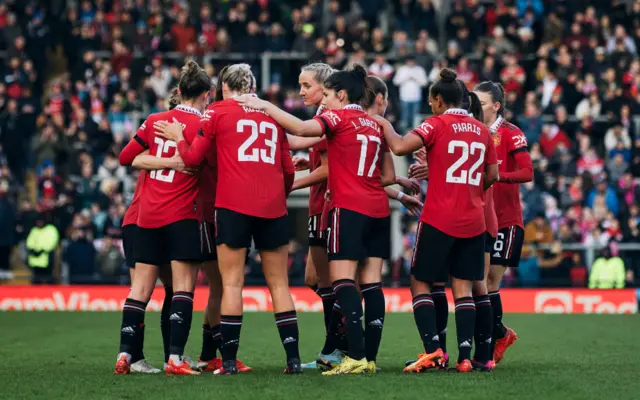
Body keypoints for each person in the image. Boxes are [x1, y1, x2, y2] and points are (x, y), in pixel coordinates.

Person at [236, 65, 397, 375]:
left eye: (326, 94)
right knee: (372, 283)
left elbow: (300, 130)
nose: (323, 100)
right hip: (378, 209)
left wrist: (265, 106)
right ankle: (368, 357)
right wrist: (401, 192)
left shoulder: (338, 118)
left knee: (342, 281)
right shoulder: (375, 124)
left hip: (347, 207)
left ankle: (355, 356)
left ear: (340, 94)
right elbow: (388, 171)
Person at [156, 63, 300, 375]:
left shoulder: (216, 112)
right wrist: (279, 194)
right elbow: (288, 170)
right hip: (272, 207)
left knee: (232, 283)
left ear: (223, 88)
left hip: (233, 205)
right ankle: (293, 359)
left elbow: (193, 159)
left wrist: (180, 137)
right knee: (280, 284)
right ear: (252, 87)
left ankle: (230, 362)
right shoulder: (272, 115)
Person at [375, 69, 499, 373]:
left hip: (440, 217)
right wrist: (468, 189)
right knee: (463, 288)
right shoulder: (482, 130)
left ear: (439, 100)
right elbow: (493, 176)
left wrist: (384, 124)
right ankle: (465, 357)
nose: (431, 106)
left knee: (420, 281)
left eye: (432, 101)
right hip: (473, 219)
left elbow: (401, 146)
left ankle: (433, 351)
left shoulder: (436, 123)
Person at [115, 60, 212, 376]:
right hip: (182, 215)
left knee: (138, 290)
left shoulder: (155, 120)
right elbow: (199, 162)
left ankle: (126, 356)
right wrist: (175, 161)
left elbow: (126, 158)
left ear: (179, 90)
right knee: (183, 289)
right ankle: (175, 359)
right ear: (206, 94)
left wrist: (160, 161)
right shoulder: (205, 126)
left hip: (147, 217)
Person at [473, 81, 534, 365]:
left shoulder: (511, 133)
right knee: (476, 283)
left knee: (486, 282)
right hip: (477, 218)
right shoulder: (472, 133)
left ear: (496, 106)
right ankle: (499, 333)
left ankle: (490, 343)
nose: (475, 107)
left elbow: (527, 171)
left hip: (506, 220)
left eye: (481, 103)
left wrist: (499, 176)